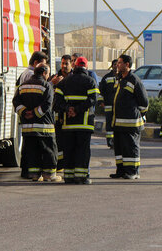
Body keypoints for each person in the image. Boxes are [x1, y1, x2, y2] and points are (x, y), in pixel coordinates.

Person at [12, 65, 61, 182]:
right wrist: (34, 113)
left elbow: (16, 101)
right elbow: (48, 104)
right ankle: (49, 175)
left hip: (28, 127)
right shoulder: (46, 86)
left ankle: (34, 174)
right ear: (44, 73)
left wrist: (25, 112)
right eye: (48, 74)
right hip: (44, 127)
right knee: (49, 150)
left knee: (32, 151)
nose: (48, 76)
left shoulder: (23, 86)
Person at [54, 56, 99, 184]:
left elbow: (57, 102)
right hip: (84, 125)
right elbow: (92, 100)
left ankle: (68, 176)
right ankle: (81, 177)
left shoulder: (64, 82)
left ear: (74, 66)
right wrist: (78, 110)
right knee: (82, 151)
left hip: (68, 125)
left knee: (69, 150)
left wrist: (69, 109)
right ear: (87, 67)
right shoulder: (90, 81)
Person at [109, 54, 148, 180]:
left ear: (127, 65)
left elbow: (144, 103)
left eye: (120, 63)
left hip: (131, 124)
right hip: (119, 123)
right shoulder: (120, 79)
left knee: (131, 148)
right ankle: (121, 170)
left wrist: (138, 115)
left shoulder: (134, 80)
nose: (117, 65)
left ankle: (132, 172)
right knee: (120, 149)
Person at [17, 50, 48, 178]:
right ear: (36, 63)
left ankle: (26, 170)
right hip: (33, 117)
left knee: (27, 145)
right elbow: (37, 92)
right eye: (43, 66)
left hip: (26, 115)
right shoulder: (30, 74)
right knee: (31, 147)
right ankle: (28, 171)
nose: (44, 70)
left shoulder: (25, 73)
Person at [49, 54, 73, 172]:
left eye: (66, 63)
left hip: (70, 115)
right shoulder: (54, 77)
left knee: (69, 142)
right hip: (57, 115)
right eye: (62, 63)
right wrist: (53, 83)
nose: (63, 66)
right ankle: (59, 165)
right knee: (57, 141)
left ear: (71, 64)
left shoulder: (74, 78)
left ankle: (68, 164)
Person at [99, 59, 119, 148]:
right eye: (114, 64)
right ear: (112, 66)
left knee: (117, 124)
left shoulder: (122, 77)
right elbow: (101, 91)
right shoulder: (106, 77)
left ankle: (117, 141)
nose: (116, 66)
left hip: (119, 106)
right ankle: (110, 142)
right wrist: (100, 101)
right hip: (108, 105)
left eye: (117, 64)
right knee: (109, 124)